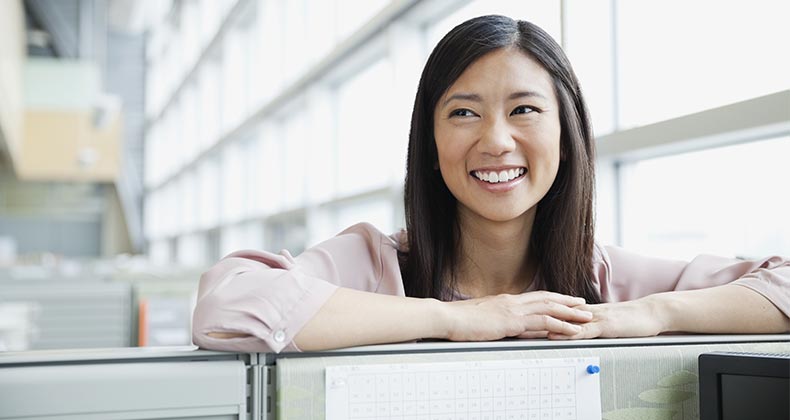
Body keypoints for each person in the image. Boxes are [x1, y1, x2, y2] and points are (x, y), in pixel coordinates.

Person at [192, 15, 790, 354]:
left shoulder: (603, 280)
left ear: (567, 136)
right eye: (463, 113)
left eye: (525, 110)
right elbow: (226, 306)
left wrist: (653, 313)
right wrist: (454, 318)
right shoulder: (374, 265)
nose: (497, 141)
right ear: (429, 144)